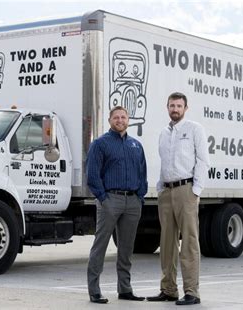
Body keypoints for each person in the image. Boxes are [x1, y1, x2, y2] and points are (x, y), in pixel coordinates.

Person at [147, 92, 209, 306]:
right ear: (167, 107)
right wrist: (160, 187)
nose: (175, 108)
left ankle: (192, 291)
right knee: (167, 244)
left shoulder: (194, 129)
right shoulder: (164, 133)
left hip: (186, 190)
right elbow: (164, 161)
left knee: (189, 242)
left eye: (179, 105)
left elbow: (202, 161)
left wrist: (196, 190)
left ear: (185, 108)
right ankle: (168, 289)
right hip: (166, 191)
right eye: (172, 105)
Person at [86, 106, 148, 304]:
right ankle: (94, 290)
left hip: (133, 201)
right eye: (116, 117)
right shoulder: (100, 144)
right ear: (110, 120)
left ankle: (125, 289)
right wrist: (103, 198)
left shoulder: (136, 145)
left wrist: (140, 196)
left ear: (128, 120)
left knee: (127, 248)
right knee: (100, 245)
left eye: (123, 117)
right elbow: (92, 175)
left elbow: (143, 173)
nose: (120, 120)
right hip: (110, 200)